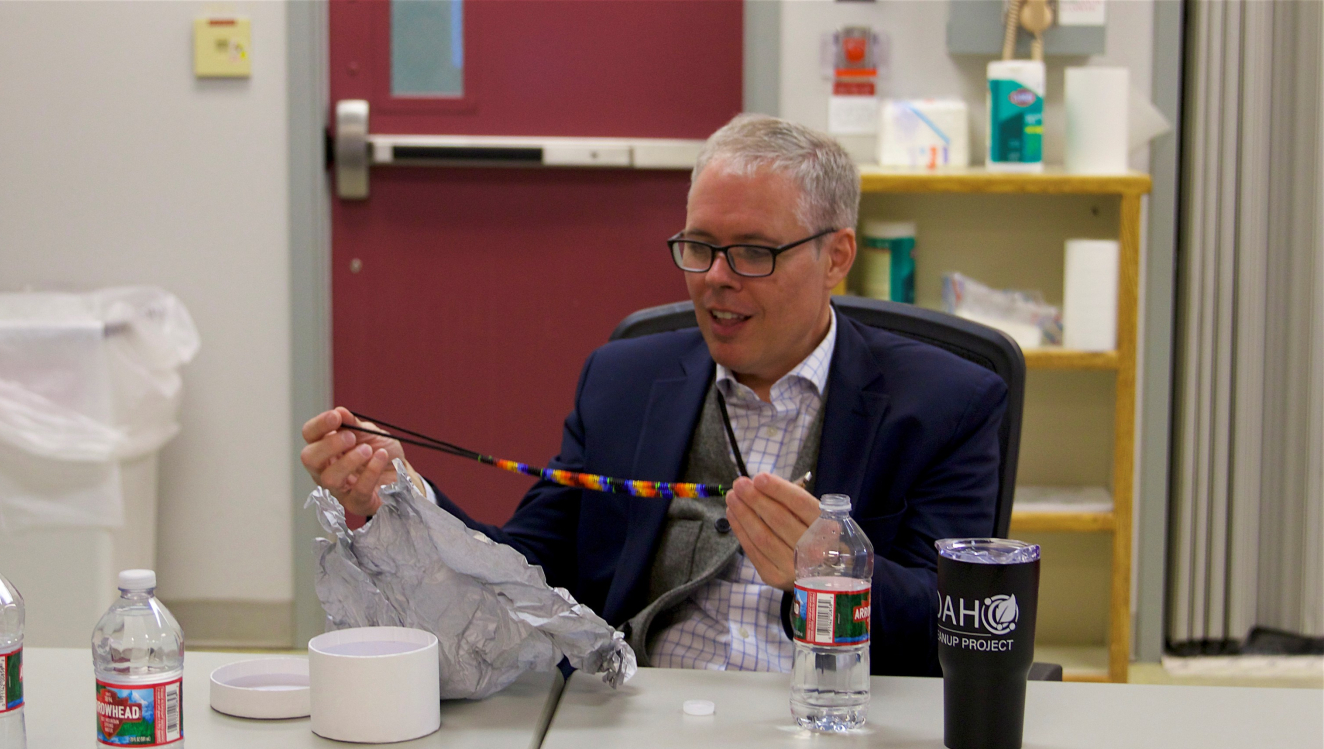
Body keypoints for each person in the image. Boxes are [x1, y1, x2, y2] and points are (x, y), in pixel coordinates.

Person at [301, 114, 1006, 678]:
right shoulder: (624, 381)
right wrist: (401, 499)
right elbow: (529, 574)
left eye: (753, 253)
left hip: (830, 719)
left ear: (838, 257)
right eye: (699, 246)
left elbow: (958, 629)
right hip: (644, 720)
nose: (715, 279)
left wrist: (829, 573)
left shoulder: (946, 402)